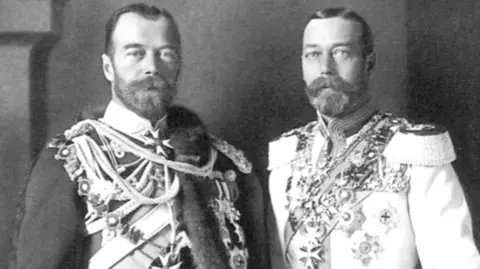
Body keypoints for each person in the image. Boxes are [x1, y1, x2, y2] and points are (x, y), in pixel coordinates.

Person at [16, 3, 267, 269]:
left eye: (166, 54)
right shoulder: (72, 162)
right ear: (108, 67)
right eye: (135, 53)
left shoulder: (222, 163)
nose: (152, 67)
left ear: (179, 64)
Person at [268, 7, 480, 269]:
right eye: (313, 54)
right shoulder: (286, 157)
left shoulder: (414, 152)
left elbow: (455, 262)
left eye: (341, 53)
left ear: (368, 63)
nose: (325, 68)